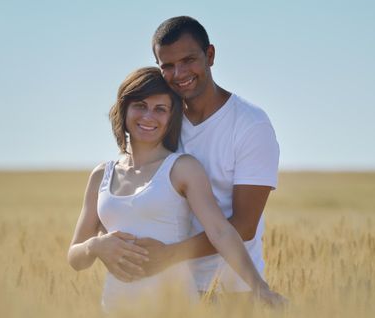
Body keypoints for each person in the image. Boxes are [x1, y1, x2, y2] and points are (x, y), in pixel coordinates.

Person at [67, 67, 283, 312]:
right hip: (117, 307)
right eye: (140, 105)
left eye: (160, 109)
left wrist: (259, 287)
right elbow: (75, 258)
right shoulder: (101, 175)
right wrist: (96, 246)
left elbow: (221, 231)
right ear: (124, 108)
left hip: (175, 307)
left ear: (171, 119)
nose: (149, 116)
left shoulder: (182, 168)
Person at [99, 16, 281, 298]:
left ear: (210, 55)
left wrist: (170, 255)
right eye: (168, 66)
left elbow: (244, 226)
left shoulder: (250, 125)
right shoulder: (162, 120)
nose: (179, 72)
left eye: (188, 60)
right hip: (170, 289)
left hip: (232, 290)